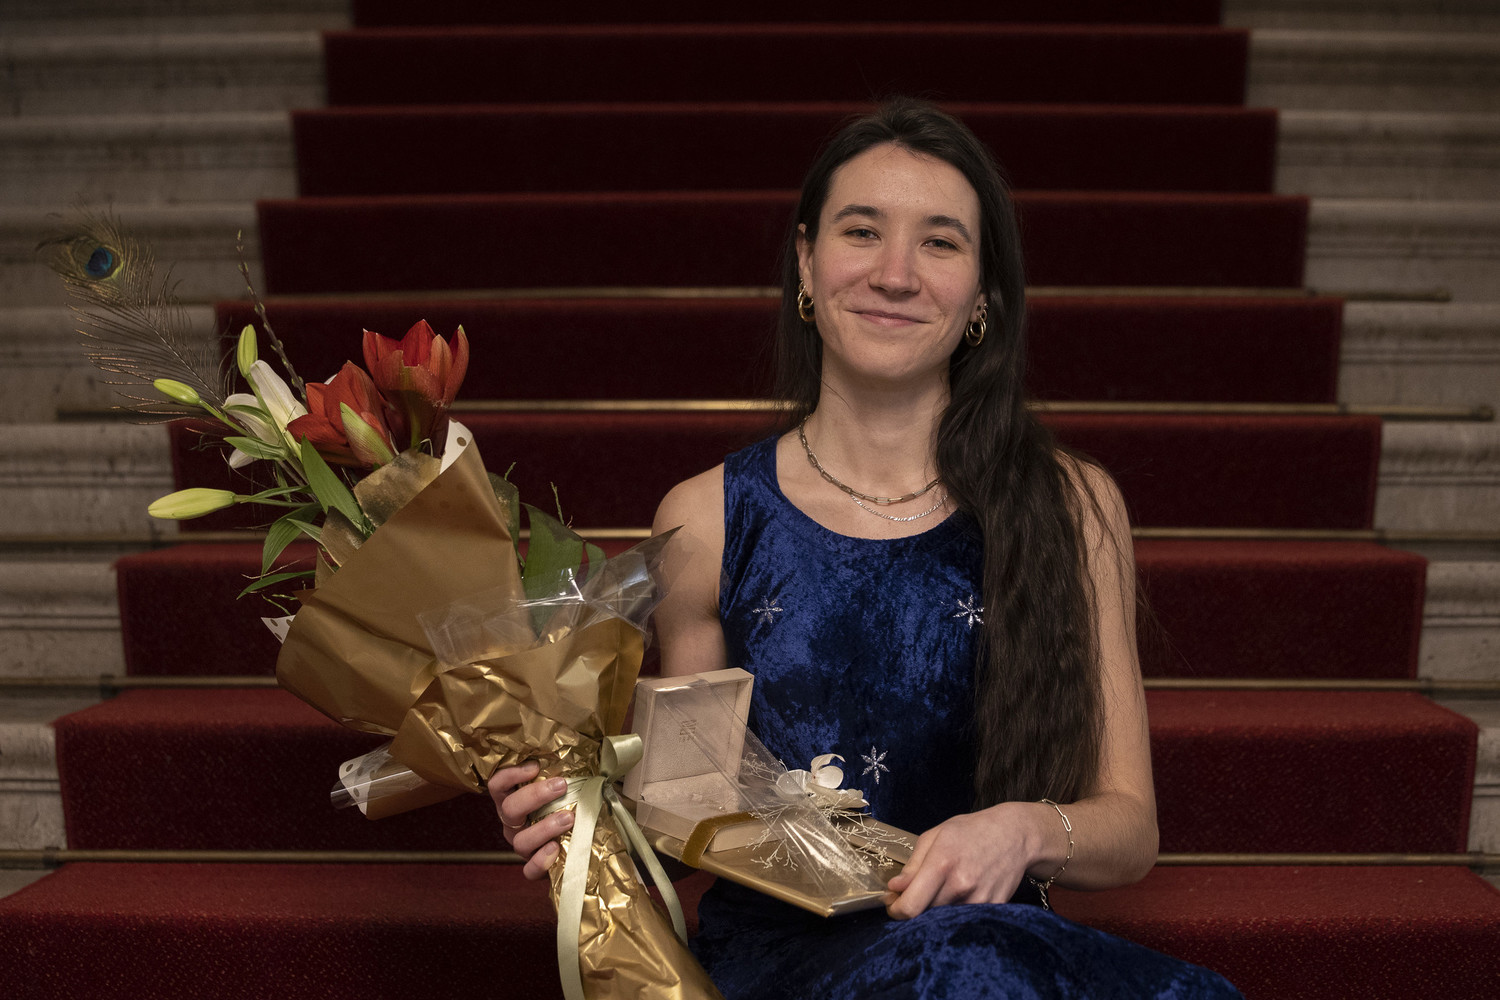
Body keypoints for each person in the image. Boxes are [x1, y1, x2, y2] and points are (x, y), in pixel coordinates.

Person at [492, 98, 1242, 998]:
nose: (895, 274)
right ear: (806, 265)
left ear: (983, 297)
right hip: (784, 962)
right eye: (862, 232)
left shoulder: (1072, 506)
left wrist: (1022, 830)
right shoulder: (709, 519)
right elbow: (693, 815)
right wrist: (575, 812)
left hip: (993, 952)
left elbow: (1130, 830)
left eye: (940, 242)